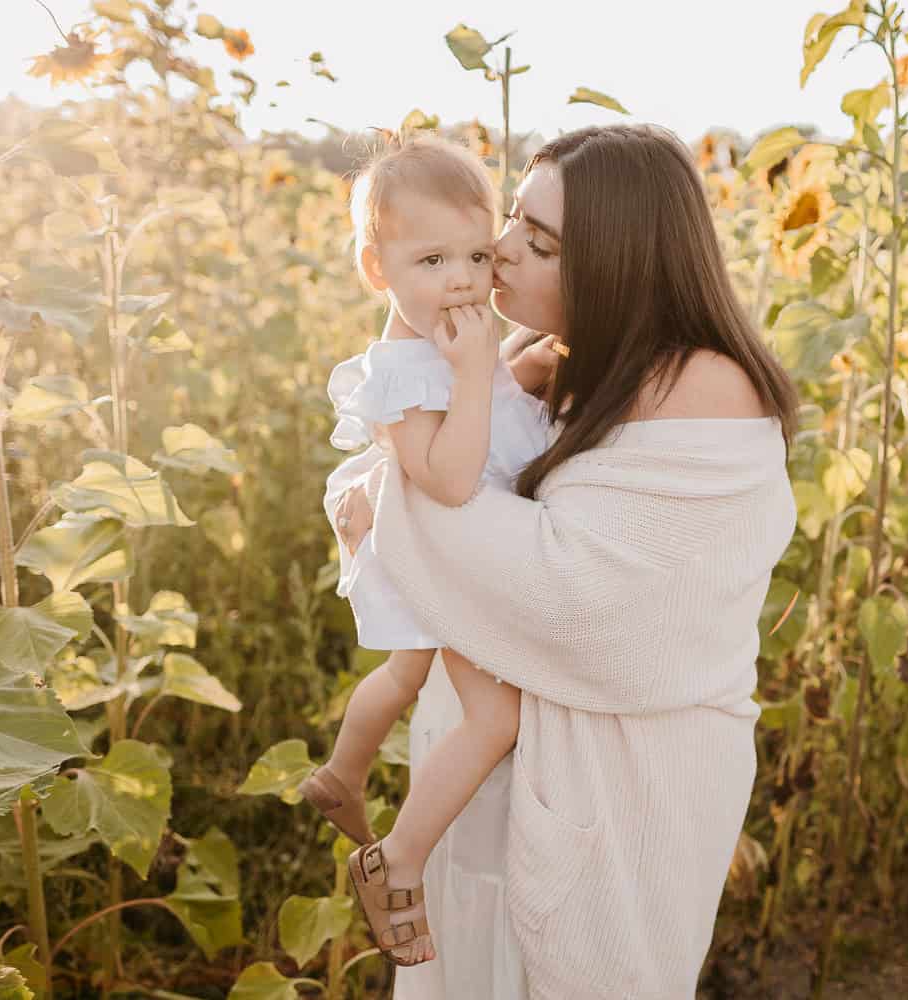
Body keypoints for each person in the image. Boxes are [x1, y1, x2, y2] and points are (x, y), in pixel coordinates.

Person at [333, 123, 801, 999]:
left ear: (618, 262)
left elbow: (574, 598)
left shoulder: (703, 386)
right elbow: (446, 469)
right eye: (513, 216)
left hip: (620, 783)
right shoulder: (579, 361)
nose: (498, 251)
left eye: (538, 242)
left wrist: (389, 500)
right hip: (520, 756)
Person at [303, 135, 564, 967]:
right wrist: (482, 365)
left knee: (407, 674)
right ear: (376, 270)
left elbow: (488, 404)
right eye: (431, 260)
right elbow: (453, 477)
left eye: (476, 254)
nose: (460, 278)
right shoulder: (404, 377)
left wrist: (518, 367)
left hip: (454, 552)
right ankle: (398, 856)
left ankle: (342, 776)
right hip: (444, 554)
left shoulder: (439, 340)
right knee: (498, 714)